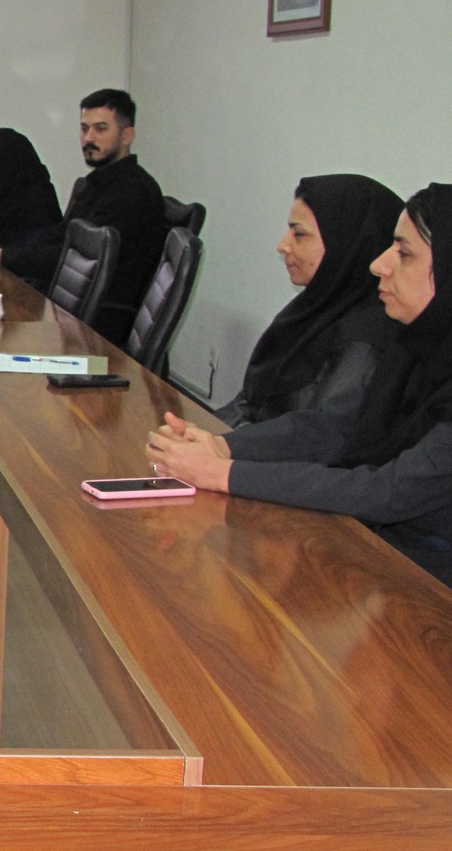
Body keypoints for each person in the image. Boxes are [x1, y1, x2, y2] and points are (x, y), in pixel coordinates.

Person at [148, 185, 452, 585]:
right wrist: (224, 447)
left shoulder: (391, 337)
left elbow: (389, 491)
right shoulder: (415, 344)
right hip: (379, 553)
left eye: (405, 254)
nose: (379, 264)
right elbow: (337, 429)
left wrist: (224, 474)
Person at [0, 89, 169, 348]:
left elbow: (73, 260)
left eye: (100, 129)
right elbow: (59, 238)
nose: (88, 138)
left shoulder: (132, 193)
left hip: (99, 332)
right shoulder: (96, 184)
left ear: (127, 135)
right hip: (75, 315)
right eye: (84, 129)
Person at [216, 174, 404, 426]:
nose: (283, 245)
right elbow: (251, 402)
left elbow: (317, 434)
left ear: (344, 242)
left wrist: (219, 443)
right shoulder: (314, 307)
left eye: (299, 234)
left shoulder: (365, 338)